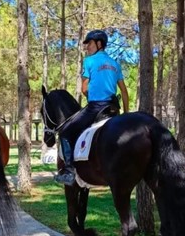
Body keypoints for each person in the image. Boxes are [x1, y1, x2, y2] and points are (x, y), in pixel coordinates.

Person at [54, 29, 130, 185]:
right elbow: (123, 91)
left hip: (96, 107)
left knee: (66, 132)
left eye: (89, 43)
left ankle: (68, 170)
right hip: (113, 109)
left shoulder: (89, 61)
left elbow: (83, 89)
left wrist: (89, 94)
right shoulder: (115, 64)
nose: (87, 47)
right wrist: (126, 114)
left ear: (99, 44)